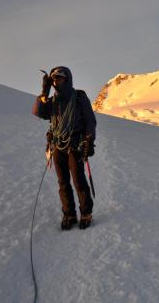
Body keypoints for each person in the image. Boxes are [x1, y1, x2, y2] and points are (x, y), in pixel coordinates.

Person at [32, 66, 97, 230]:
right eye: (53, 79)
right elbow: (39, 113)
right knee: (63, 182)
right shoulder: (52, 100)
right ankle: (69, 214)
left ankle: (86, 213)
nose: (56, 81)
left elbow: (90, 120)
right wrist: (43, 94)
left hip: (75, 144)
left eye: (59, 78)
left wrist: (89, 139)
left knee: (78, 180)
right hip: (57, 145)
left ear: (67, 79)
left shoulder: (79, 97)